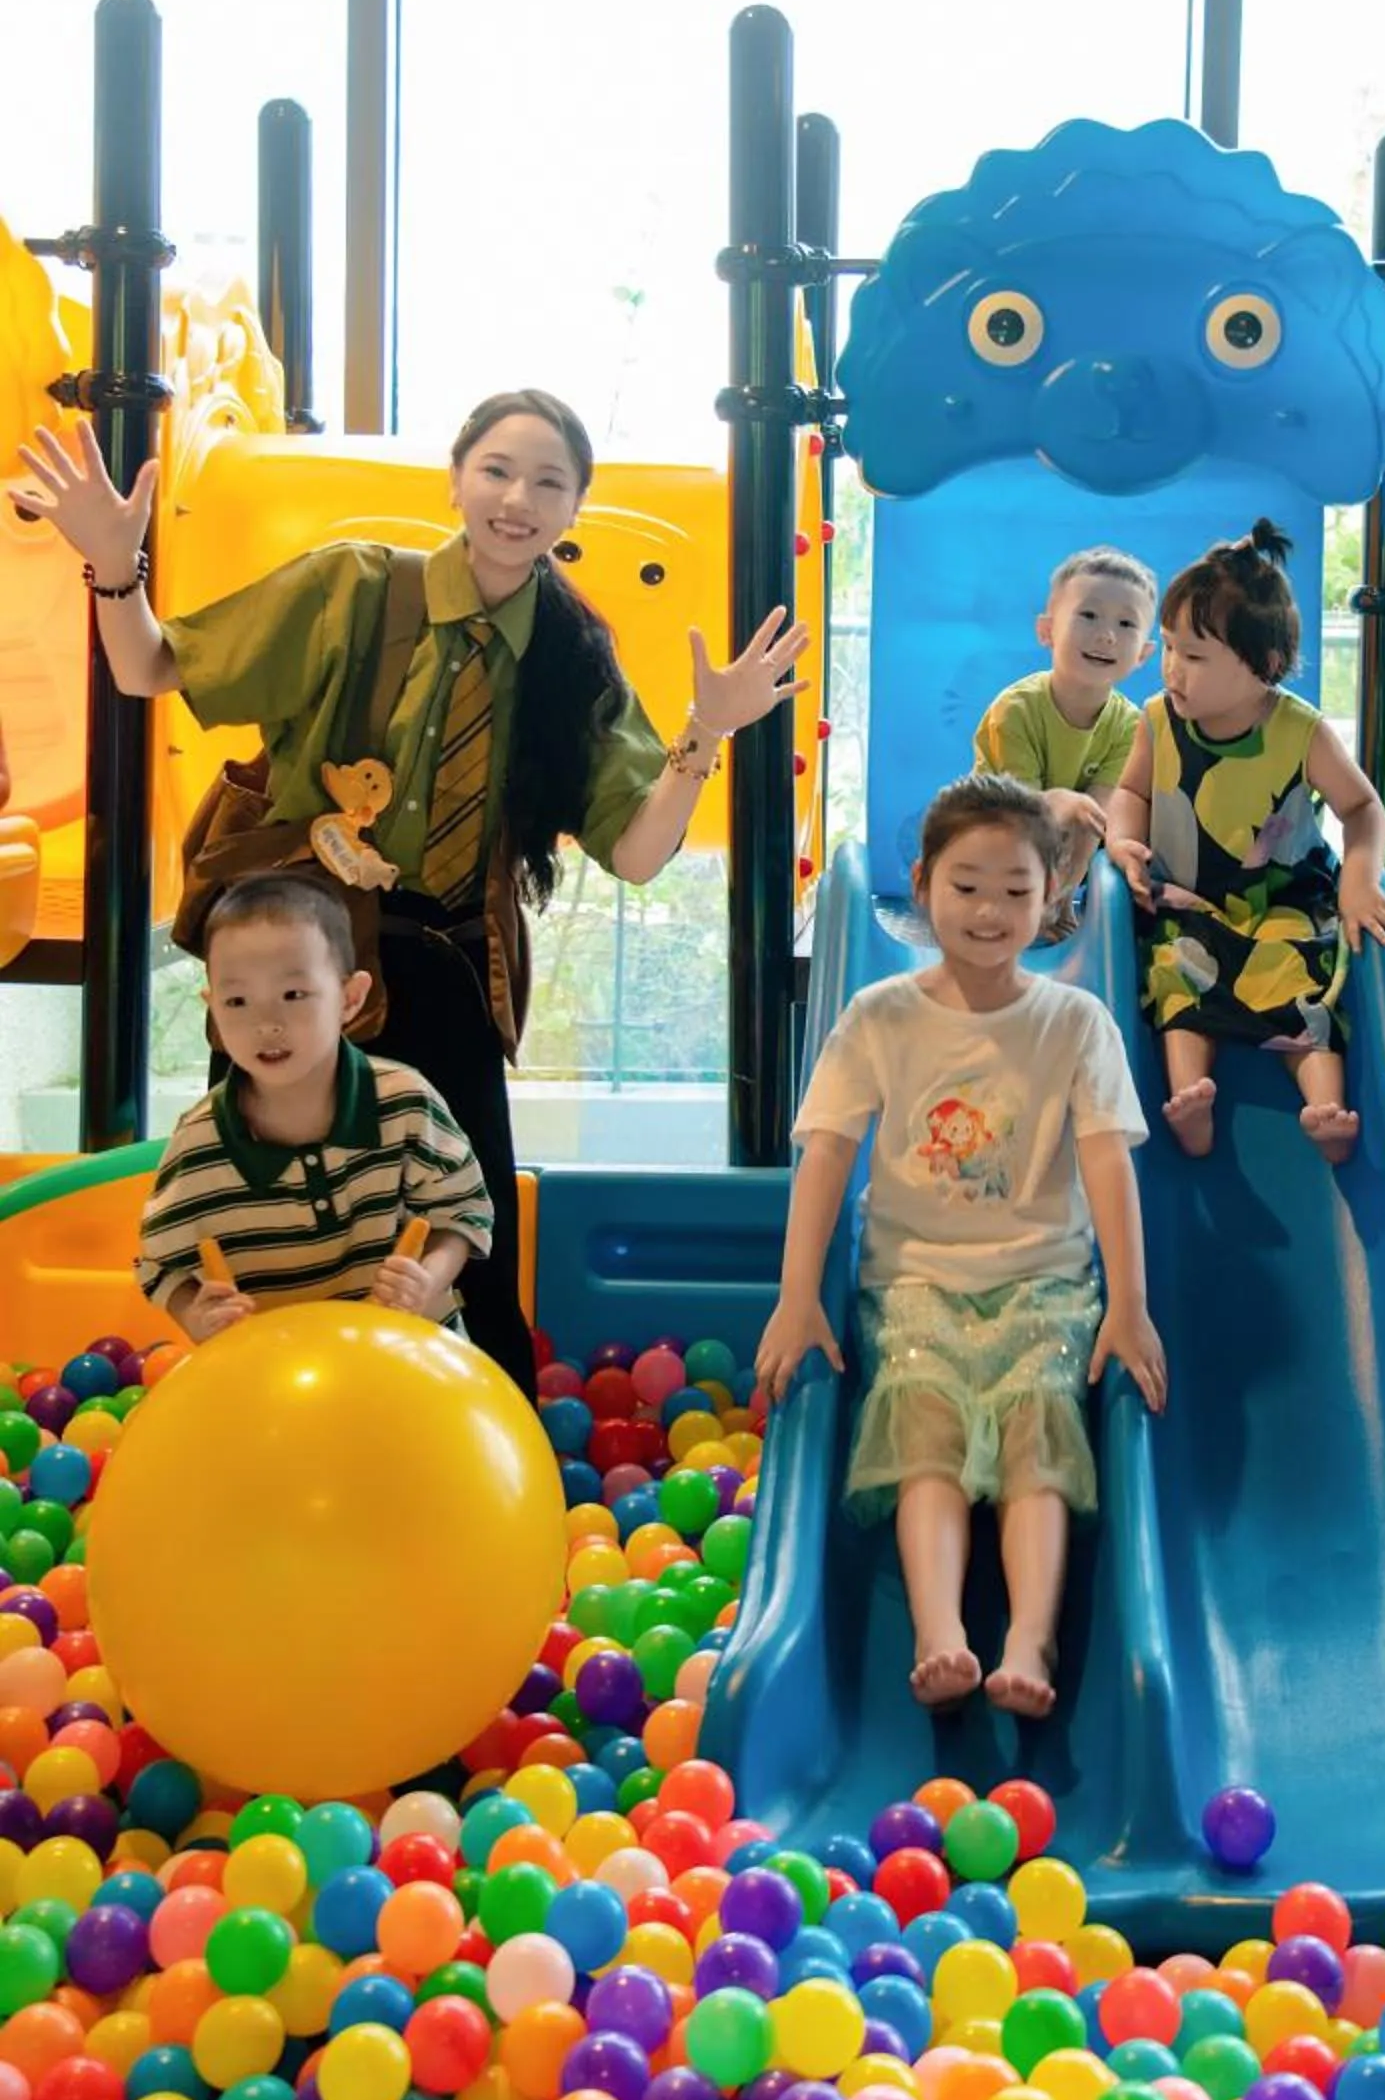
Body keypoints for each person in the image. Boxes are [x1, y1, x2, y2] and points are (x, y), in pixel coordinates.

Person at [11, 388, 807, 1392]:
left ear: (574, 512)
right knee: (257, 1206)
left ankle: (497, 1443)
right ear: (456, 479)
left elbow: (639, 853)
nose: (517, 499)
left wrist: (706, 736)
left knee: (470, 1229)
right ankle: (261, 1412)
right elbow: (146, 668)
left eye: (548, 483)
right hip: (294, 951)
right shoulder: (350, 591)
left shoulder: (568, 662)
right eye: (497, 471)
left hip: (442, 960)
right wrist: (114, 569)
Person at [755, 773, 1166, 1720]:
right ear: (922, 884)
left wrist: (1130, 1306)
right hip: (914, 1284)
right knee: (923, 1427)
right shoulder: (882, 1019)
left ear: (1054, 899)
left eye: (1018, 891)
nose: (991, 910)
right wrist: (796, 1295)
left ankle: (1030, 1635)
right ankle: (940, 1630)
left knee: (1037, 1439)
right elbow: (825, 1158)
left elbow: (1109, 1168)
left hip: (1046, 1286)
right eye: (968, 885)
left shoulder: (1074, 1023)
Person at [1105, 518, 1385, 1163]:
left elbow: (1362, 807)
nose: (1173, 670)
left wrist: (1359, 878)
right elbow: (1131, 794)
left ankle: (1324, 1109)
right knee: (1174, 977)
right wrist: (1122, 841)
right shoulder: (1157, 722)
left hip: (1283, 904)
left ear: (1264, 667)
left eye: (1196, 655)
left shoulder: (1299, 731)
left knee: (1305, 978)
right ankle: (1192, 1101)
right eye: (1170, 648)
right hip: (1190, 903)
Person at [137, 875, 492, 1338]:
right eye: (237, 1001)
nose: (266, 1023)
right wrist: (195, 1316)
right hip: (277, 1380)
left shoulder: (405, 1103)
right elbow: (160, 1265)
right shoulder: (199, 1140)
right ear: (213, 1011)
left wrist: (427, 1282)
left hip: (407, 1366)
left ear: (350, 998)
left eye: (292, 995)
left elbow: (462, 1214)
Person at [973, 547, 1156, 930]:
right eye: (1088, 615)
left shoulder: (1131, 726)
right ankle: (1029, 899)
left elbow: (1100, 817)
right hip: (996, 836)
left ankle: (1055, 902)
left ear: (1143, 653)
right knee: (1069, 807)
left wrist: (1062, 891)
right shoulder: (1017, 709)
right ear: (1047, 631)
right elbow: (1018, 813)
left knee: (1087, 813)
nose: (1106, 636)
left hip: (1064, 850)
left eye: (1126, 624)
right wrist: (1059, 801)